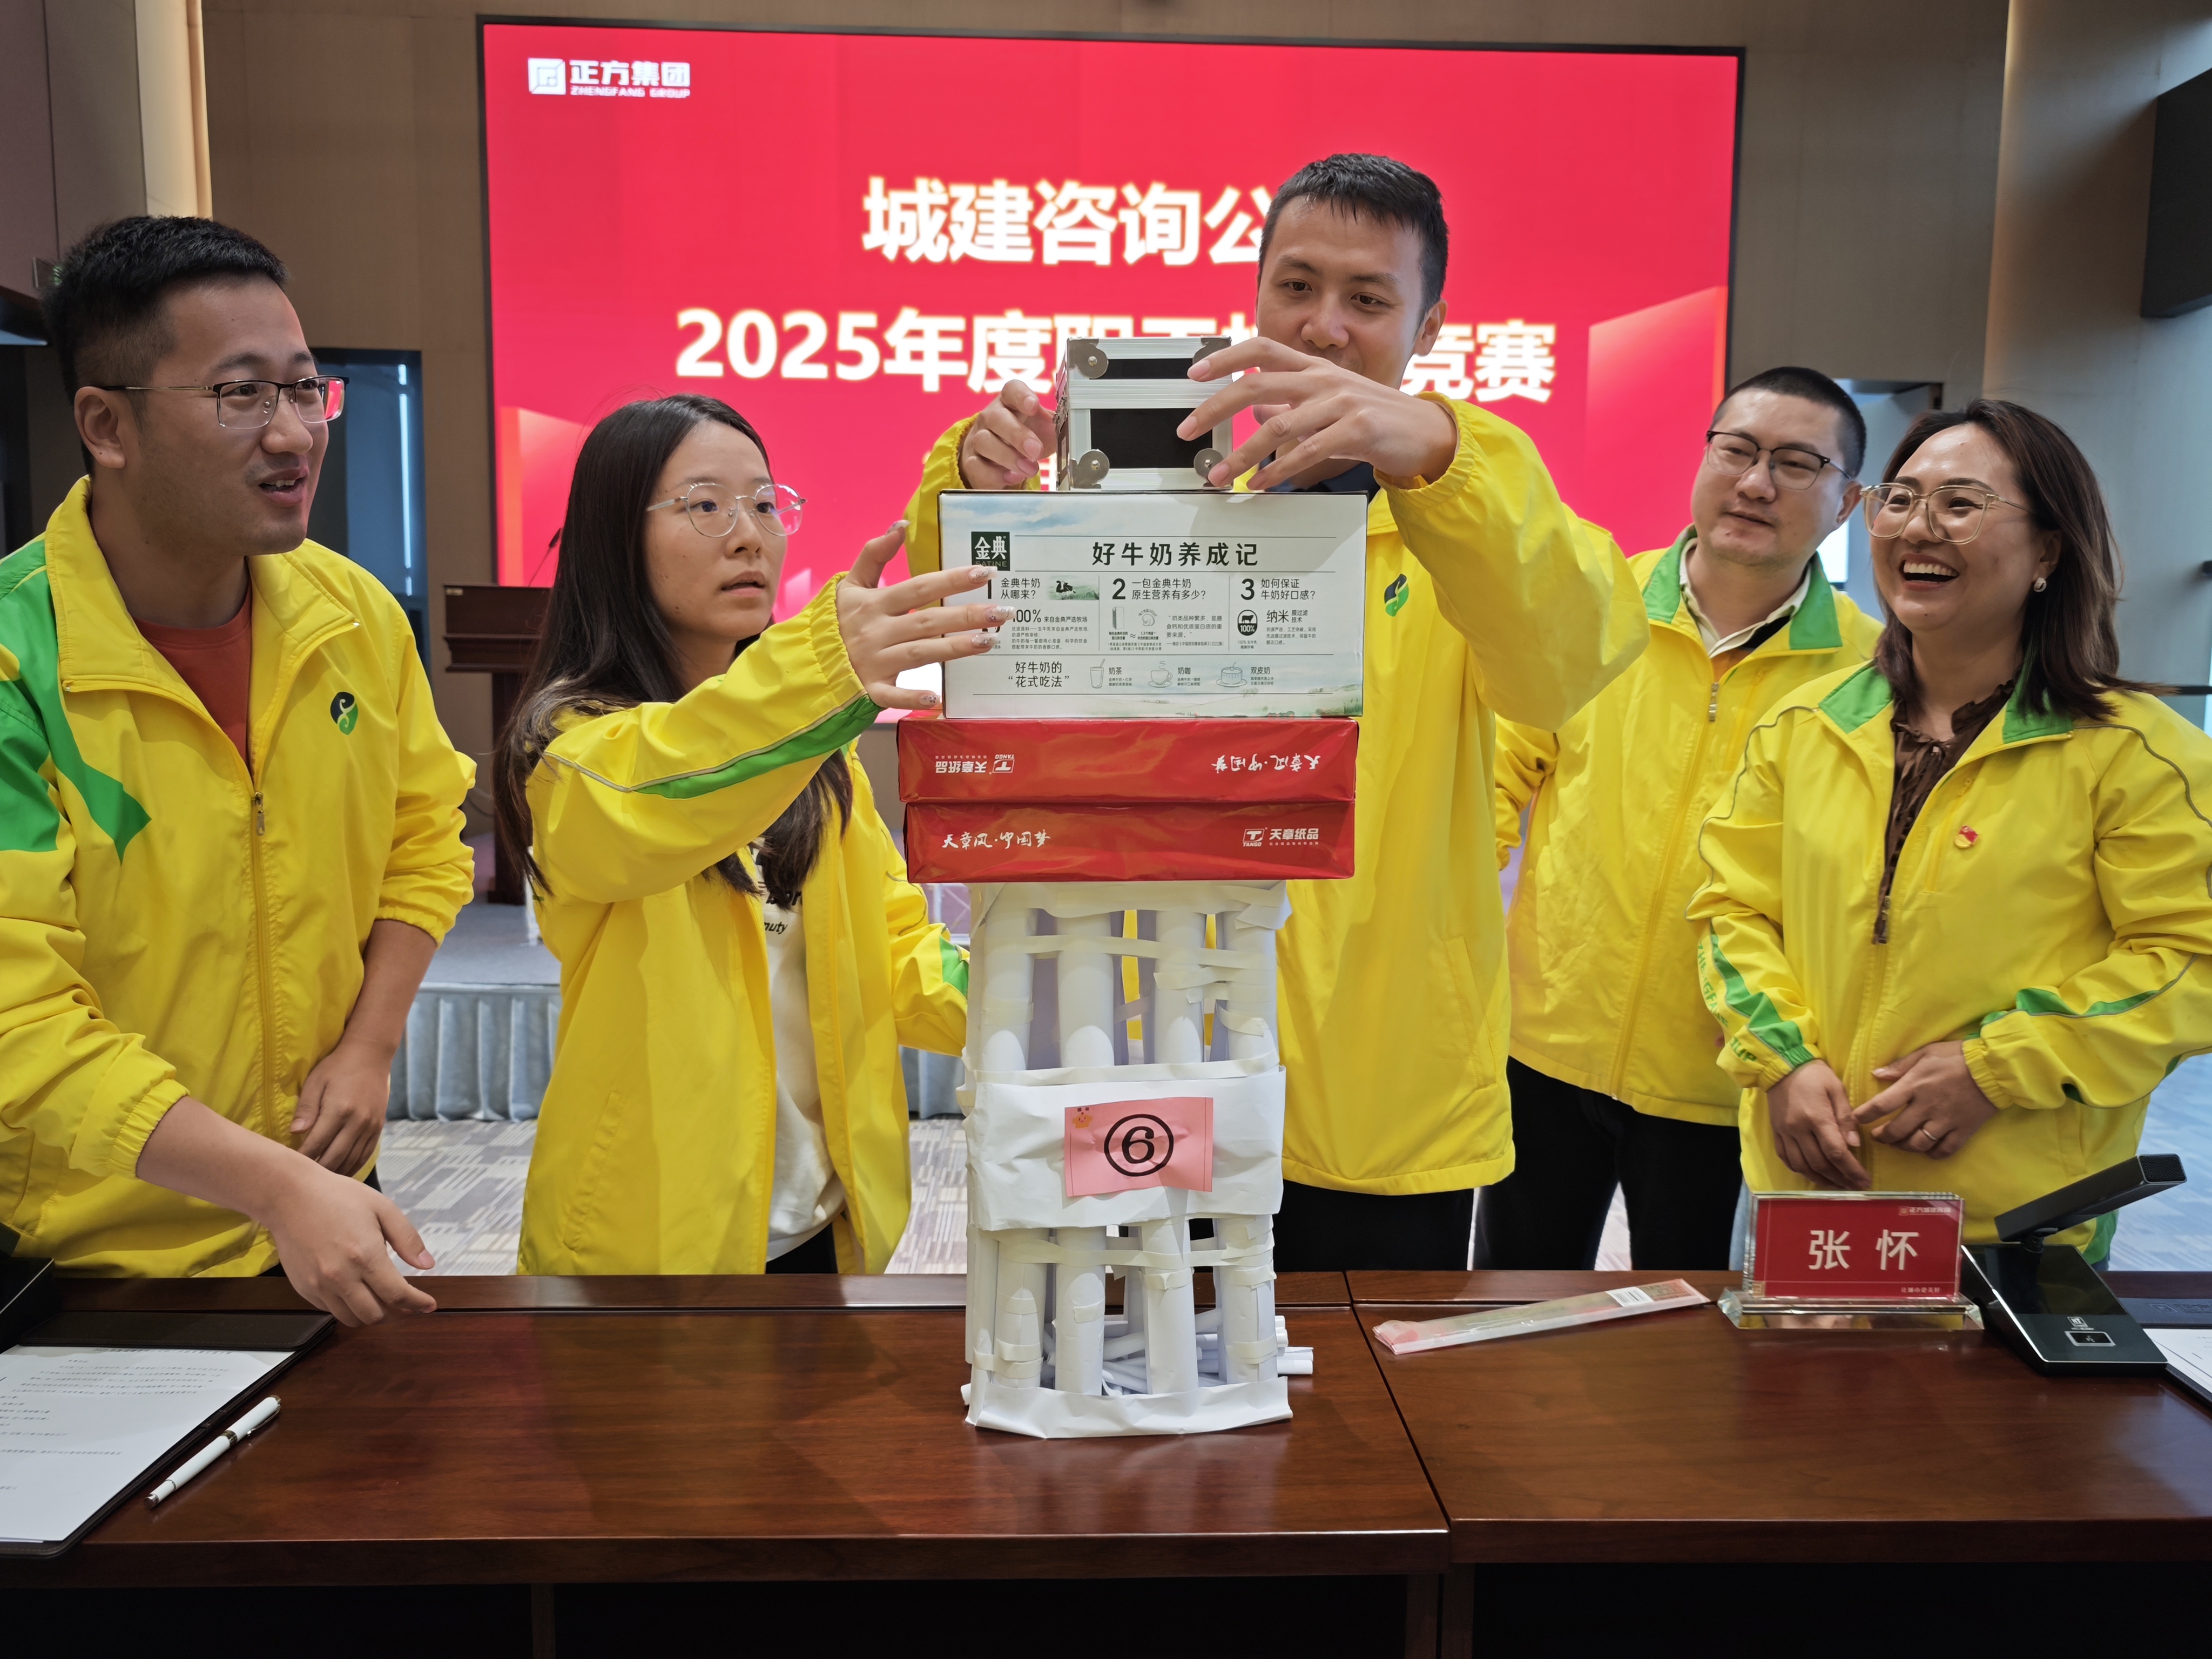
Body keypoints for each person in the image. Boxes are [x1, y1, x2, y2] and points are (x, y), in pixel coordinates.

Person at [901, 153, 1647, 1270]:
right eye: (1296, 287)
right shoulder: (1147, 492)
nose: (1323, 326)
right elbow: (966, 640)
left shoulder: (1467, 510)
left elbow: (1563, 665)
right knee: (1138, 1355)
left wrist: (1442, 454)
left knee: (1361, 1382)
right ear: (1253, 297)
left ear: (1428, 328)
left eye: (1367, 299)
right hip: (1147, 1058)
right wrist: (974, 486)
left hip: (1374, 1098)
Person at [0, 216, 475, 1324]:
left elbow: (425, 838)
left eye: (306, 390)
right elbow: (19, 1018)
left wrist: (368, 1049)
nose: (294, 433)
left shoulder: (353, 617)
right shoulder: (19, 662)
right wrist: (271, 1184)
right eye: (241, 394)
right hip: (91, 1262)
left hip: (317, 1216)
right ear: (106, 425)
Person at [1689, 399, 2212, 1251]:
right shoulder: (1803, 726)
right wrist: (1781, 1059)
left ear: (2049, 550)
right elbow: (1729, 909)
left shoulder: (2137, 755)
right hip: (1809, 1200)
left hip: (2020, 1225)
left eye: (1961, 504)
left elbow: (2191, 962)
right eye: (1898, 499)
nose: (1916, 528)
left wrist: (1997, 1068)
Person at [501, 395, 988, 1275]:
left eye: (765, 504)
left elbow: (895, 957)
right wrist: (823, 675)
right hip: (646, 1254)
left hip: (822, 1231)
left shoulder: (814, 755)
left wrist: (1034, 990)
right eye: (704, 505)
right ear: (616, 537)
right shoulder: (569, 748)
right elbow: (670, 780)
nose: (749, 537)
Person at [1478, 368, 1883, 1271]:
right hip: (1544, 1045)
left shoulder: (1870, 672)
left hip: (1730, 1072)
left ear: (1848, 502)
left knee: (1696, 1330)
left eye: (1796, 464)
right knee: (1512, 1307)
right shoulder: (1599, 608)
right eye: (1737, 450)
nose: (1756, 483)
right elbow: (1490, 787)